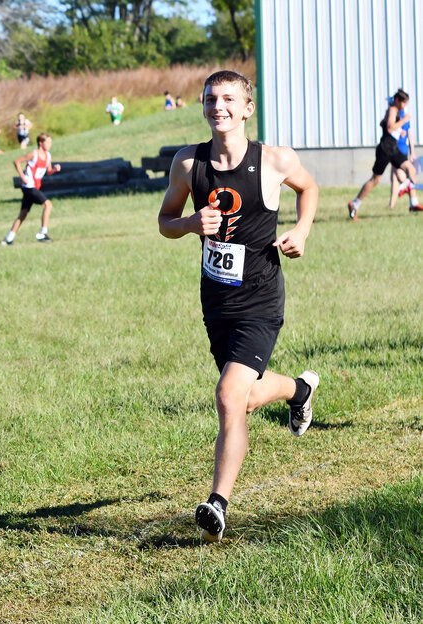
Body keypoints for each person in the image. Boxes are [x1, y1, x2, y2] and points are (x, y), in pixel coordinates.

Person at [157, 70, 320, 543]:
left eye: (230, 98)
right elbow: (165, 221)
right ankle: (298, 390)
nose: (219, 106)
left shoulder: (273, 160)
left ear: (248, 108)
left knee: (229, 396)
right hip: (216, 302)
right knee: (243, 397)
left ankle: (217, 503)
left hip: (261, 300)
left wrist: (302, 231)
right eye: (211, 98)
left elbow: (309, 190)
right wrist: (190, 223)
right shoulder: (188, 163)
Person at [348, 88, 420, 219]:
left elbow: (391, 128)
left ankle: (413, 202)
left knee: (410, 168)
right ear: (397, 100)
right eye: (403, 103)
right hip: (386, 149)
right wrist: (404, 121)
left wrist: (400, 132)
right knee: (375, 179)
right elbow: (390, 127)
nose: (404, 106)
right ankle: (355, 204)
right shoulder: (393, 109)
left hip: (394, 147)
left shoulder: (396, 110)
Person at [1, 132, 61, 245]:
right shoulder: (33, 154)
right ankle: (43, 234)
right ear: (40, 143)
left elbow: (48, 171)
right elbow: (17, 161)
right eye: (47, 142)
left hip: (35, 187)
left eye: (50, 142)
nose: (50, 144)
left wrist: (54, 170)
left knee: (23, 214)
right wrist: (23, 177)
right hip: (29, 187)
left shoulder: (48, 156)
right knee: (48, 205)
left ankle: (9, 238)